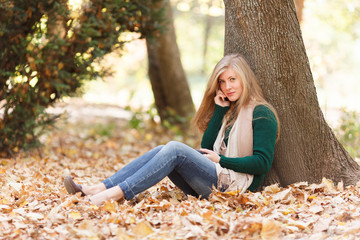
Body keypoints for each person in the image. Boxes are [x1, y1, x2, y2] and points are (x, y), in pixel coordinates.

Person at [64, 54, 280, 206]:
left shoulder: (261, 114)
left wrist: (221, 161)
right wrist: (218, 111)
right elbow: (206, 149)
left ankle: (113, 194)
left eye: (233, 79)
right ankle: (97, 189)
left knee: (175, 148)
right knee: (163, 149)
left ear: (245, 79)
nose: (227, 87)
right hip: (217, 180)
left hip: (236, 189)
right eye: (222, 82)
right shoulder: (229, 110)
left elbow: (262, 163)